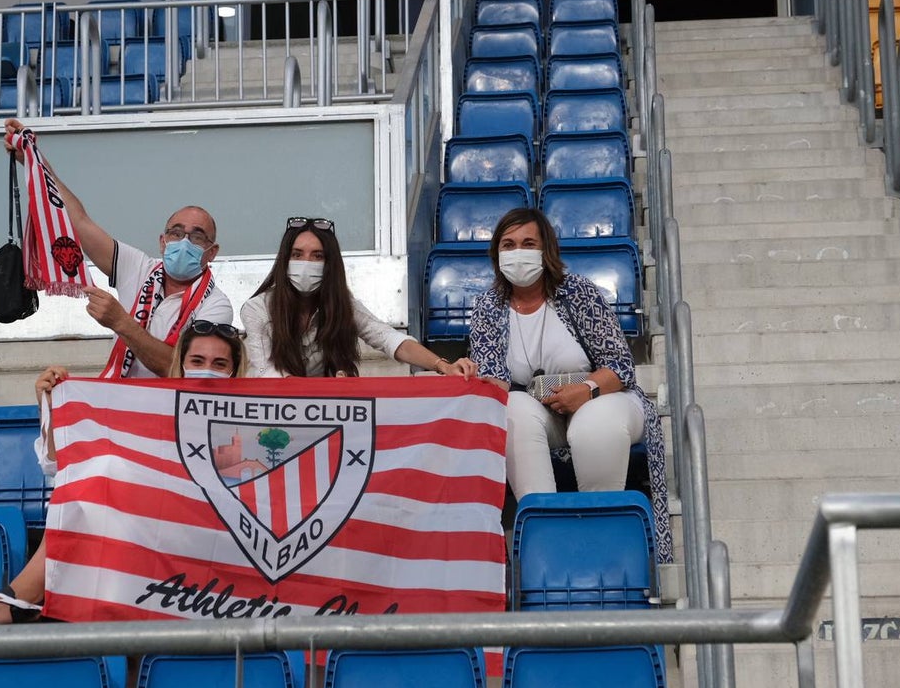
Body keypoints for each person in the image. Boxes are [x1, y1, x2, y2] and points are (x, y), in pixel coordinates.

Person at [0, 320, 247, 626]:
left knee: (109, 490)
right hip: (149, 532)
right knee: (99, 473)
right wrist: (50, 405)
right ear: (181, 365)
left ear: (236, 372)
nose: (207, 370)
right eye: (197, 361)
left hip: (214, 537)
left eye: (219, 364)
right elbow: (65, 466)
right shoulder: (154, 411)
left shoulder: (249, 423)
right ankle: (35, 597)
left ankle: (25, 597)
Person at [3, 118, 233, 379]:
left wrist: (121, 323)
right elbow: (78, 221)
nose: (183, 242)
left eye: (197, 237)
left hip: (172, 412)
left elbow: (183, 370)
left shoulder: (216, 305)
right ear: (162, 241)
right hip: (122, 406)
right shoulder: (138, 267)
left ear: (212, 252)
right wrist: (35, 162)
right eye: (176, 233)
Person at [469, 207, 664, 498]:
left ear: (546, 250)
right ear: (496, 254)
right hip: (542, 411)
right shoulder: (488, 307)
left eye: (529, 244)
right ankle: (541, 519)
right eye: (508, 245)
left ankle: (599, 522)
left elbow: (621, 366)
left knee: (595, 422)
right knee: (511, 409)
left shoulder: (579, 292)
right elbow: (494, 380)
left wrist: (586, 391)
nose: (517, 252)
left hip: (605, 397)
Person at [241, 216, 476, 378]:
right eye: (297, 254)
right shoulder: (256, 308)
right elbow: (267, 373)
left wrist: (442, 365)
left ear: (330, 264)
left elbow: (388, 338)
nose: (306, 263)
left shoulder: (343, 305)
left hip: (320, 410)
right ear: (284, 260)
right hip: (271, 411)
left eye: (317, 256)